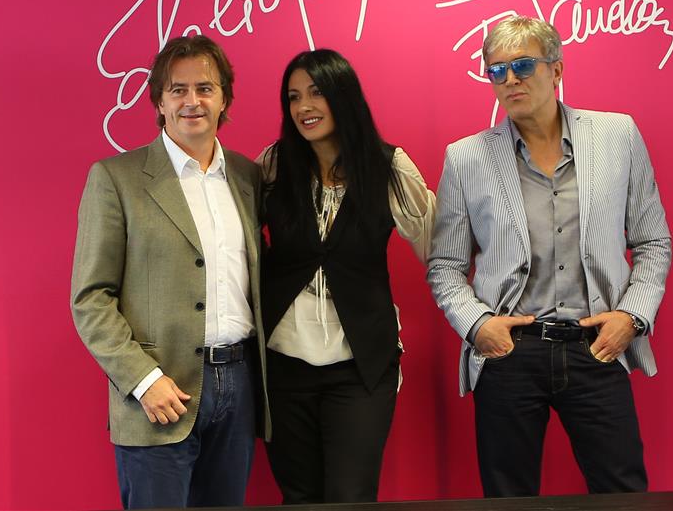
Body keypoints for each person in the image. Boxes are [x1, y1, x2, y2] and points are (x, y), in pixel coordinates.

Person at [427, 15, 672, 497]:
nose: (510, 80)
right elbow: (445, 266)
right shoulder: (466, 158)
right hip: (510, 352)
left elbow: (653, 242)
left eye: (523, 66)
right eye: (497, 70)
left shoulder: (617, 135)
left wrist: (631, 317)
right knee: (508, 499)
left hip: (597, 344)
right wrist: (479, 326)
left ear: (556, 69)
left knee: (623, 493)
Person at [71, 35, 266, 509]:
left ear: (224, 99)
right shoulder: (116, 178)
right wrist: (143, 380)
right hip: (158, 395)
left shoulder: (247, 177)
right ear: (159, 101)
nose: (191, 101)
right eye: (178, 90)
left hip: (239, 387)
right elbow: (91, 299)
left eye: (205, 88)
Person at [257, 49, 435, 504]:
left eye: (316, 92)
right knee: (299, 497)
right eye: (293, 97)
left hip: (360, 365)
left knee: (350, 497)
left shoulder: (388, 167)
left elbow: (439, 251)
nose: (304, 107)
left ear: (344, 96)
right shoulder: (274, 165)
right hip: (283, 362)